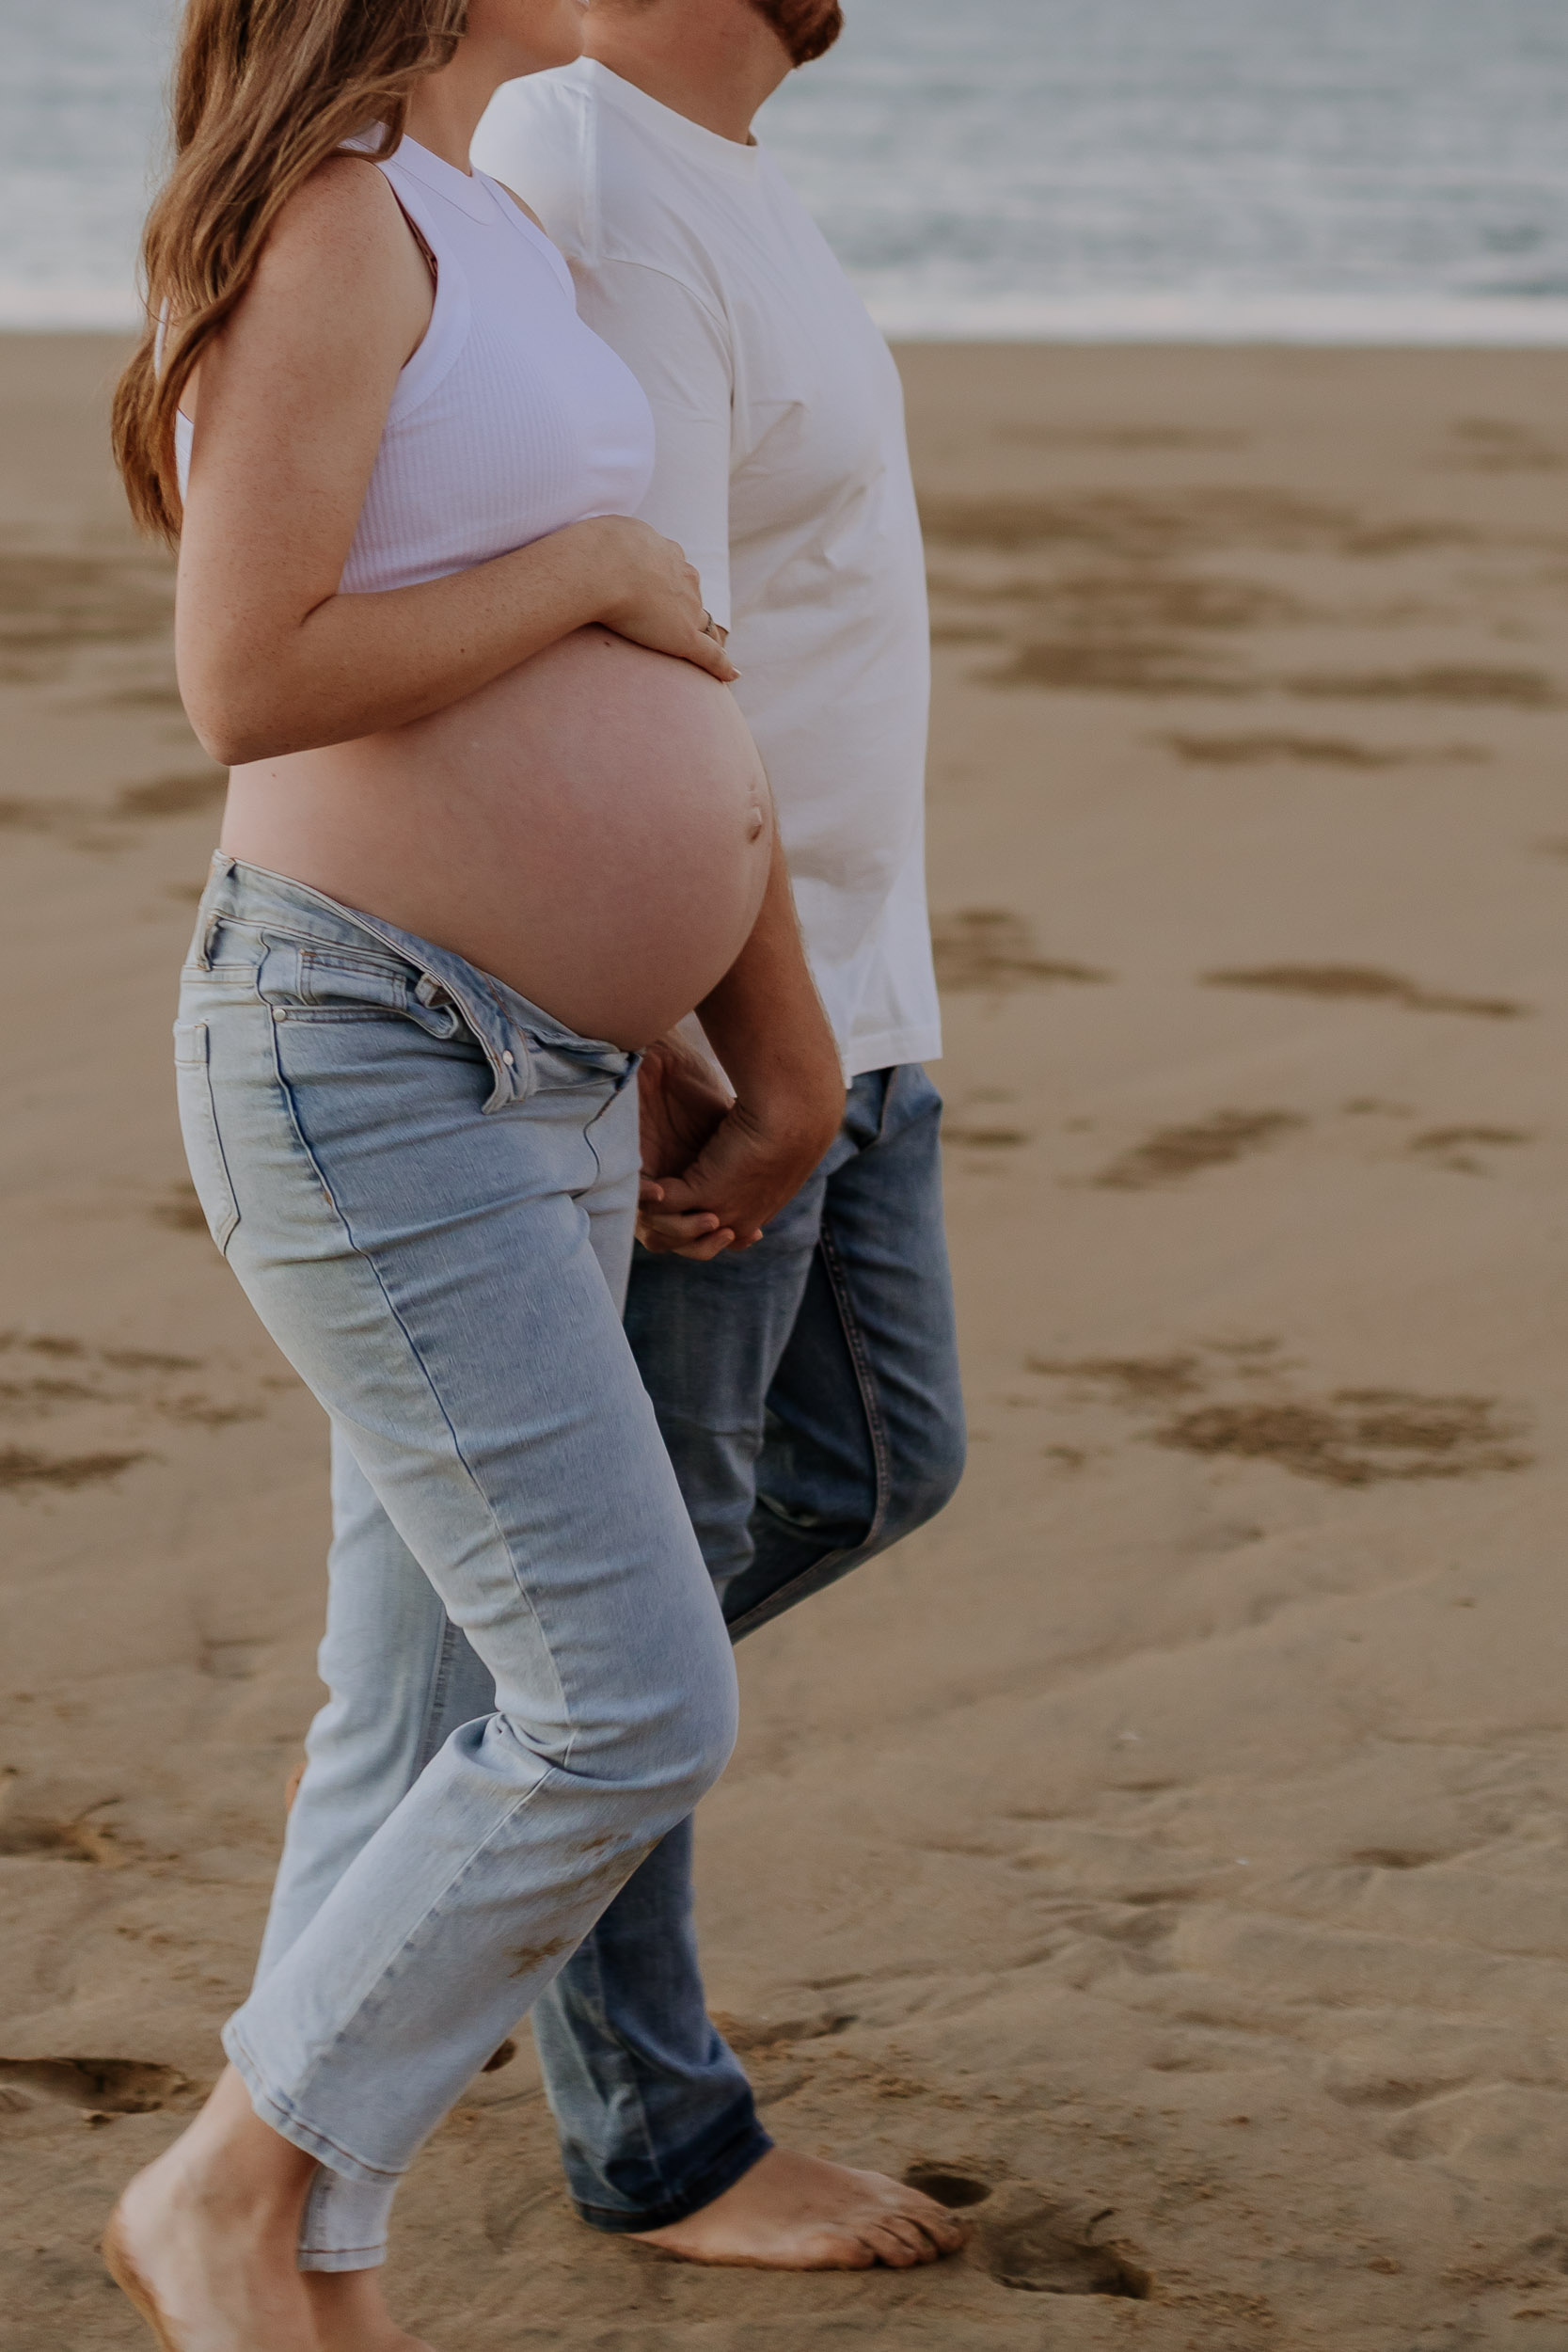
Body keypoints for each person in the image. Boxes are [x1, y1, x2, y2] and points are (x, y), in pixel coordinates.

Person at [99, 0, 936, 2343]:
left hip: (551, 1070)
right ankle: (229, 2188)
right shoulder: (340, 226)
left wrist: (682, 994)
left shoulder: (481, 218)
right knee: (629, 1694)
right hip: (369, 1049)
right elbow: (244, 676)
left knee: (406, 1710)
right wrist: (582, 576)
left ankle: (314, 2263)